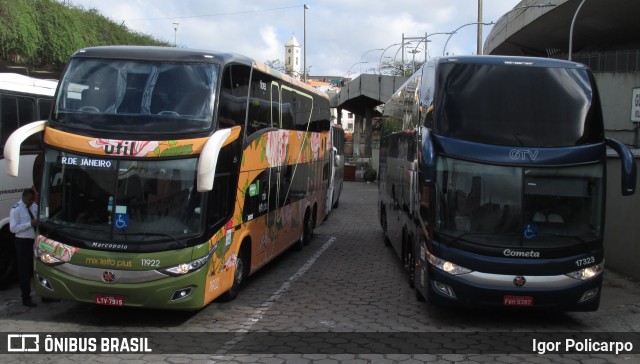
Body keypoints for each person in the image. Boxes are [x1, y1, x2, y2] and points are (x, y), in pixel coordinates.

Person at [9, 189, 38, 307]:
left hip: (35, 240)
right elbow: (13, 228)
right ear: (24, 197)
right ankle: (26, 297)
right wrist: (29, 224)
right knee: (24, 271)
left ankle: (46, 294)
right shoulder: (15, 209)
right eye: (30, 199)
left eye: (33, 199)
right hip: (23, 242)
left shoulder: (34, 206)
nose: (32, 202)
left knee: (38, 268)